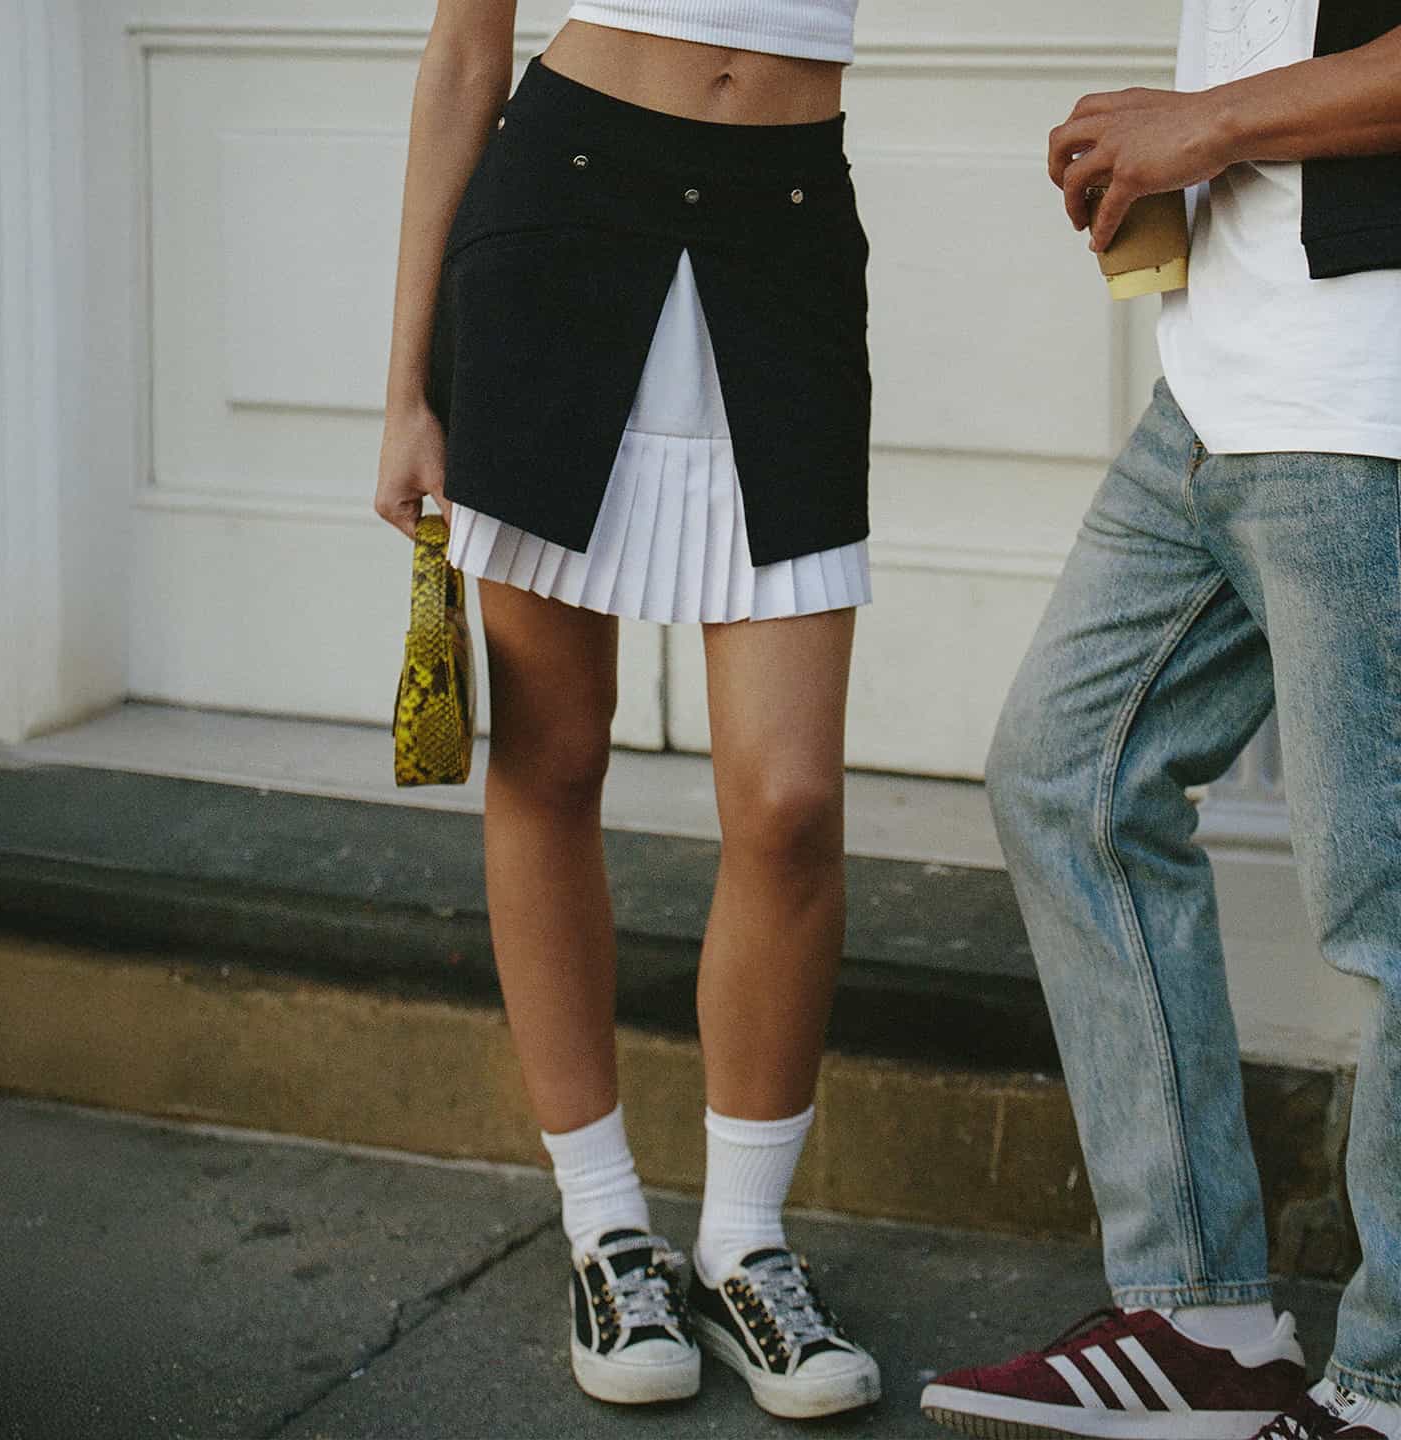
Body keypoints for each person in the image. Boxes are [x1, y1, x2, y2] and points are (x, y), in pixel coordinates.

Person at [375, 0, 881, 1419]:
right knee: (552, 754)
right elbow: (466, 54)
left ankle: (745, 1244)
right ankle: (605, 1227)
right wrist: (407, 386)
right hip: (562, 215)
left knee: (790, 802)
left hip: (785, 225)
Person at [920, 5, 1401, 1440]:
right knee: (1067, 778)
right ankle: (1201, 1318)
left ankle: (1387, 1383)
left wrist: (1212, 121)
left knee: (1387, 904)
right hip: (1217, 389)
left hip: (1367, 399)